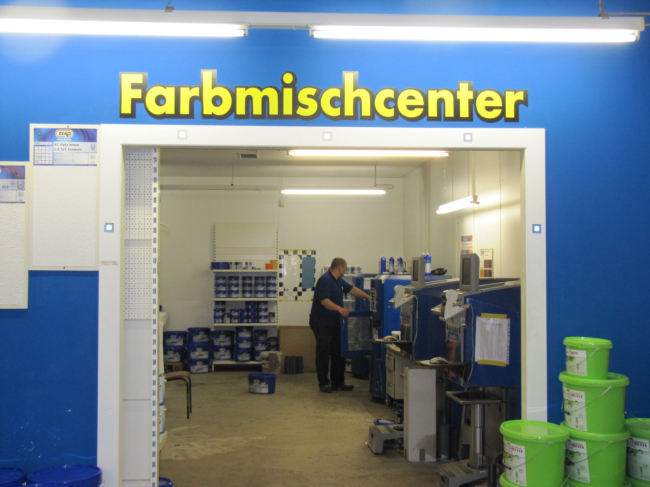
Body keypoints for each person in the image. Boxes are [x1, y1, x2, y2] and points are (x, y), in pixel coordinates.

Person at [309, 257, 371, 393]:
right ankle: (324, 383)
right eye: (345, 268)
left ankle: (338, 382)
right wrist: (340, 309)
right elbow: (324, 301)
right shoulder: (325, 279)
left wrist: (368, 297)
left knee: (339, 352)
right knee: (324, 352)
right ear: (340, 268)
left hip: (334, 322)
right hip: (321, 322)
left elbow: (352, 290)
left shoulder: (338, 280)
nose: (345, 270)